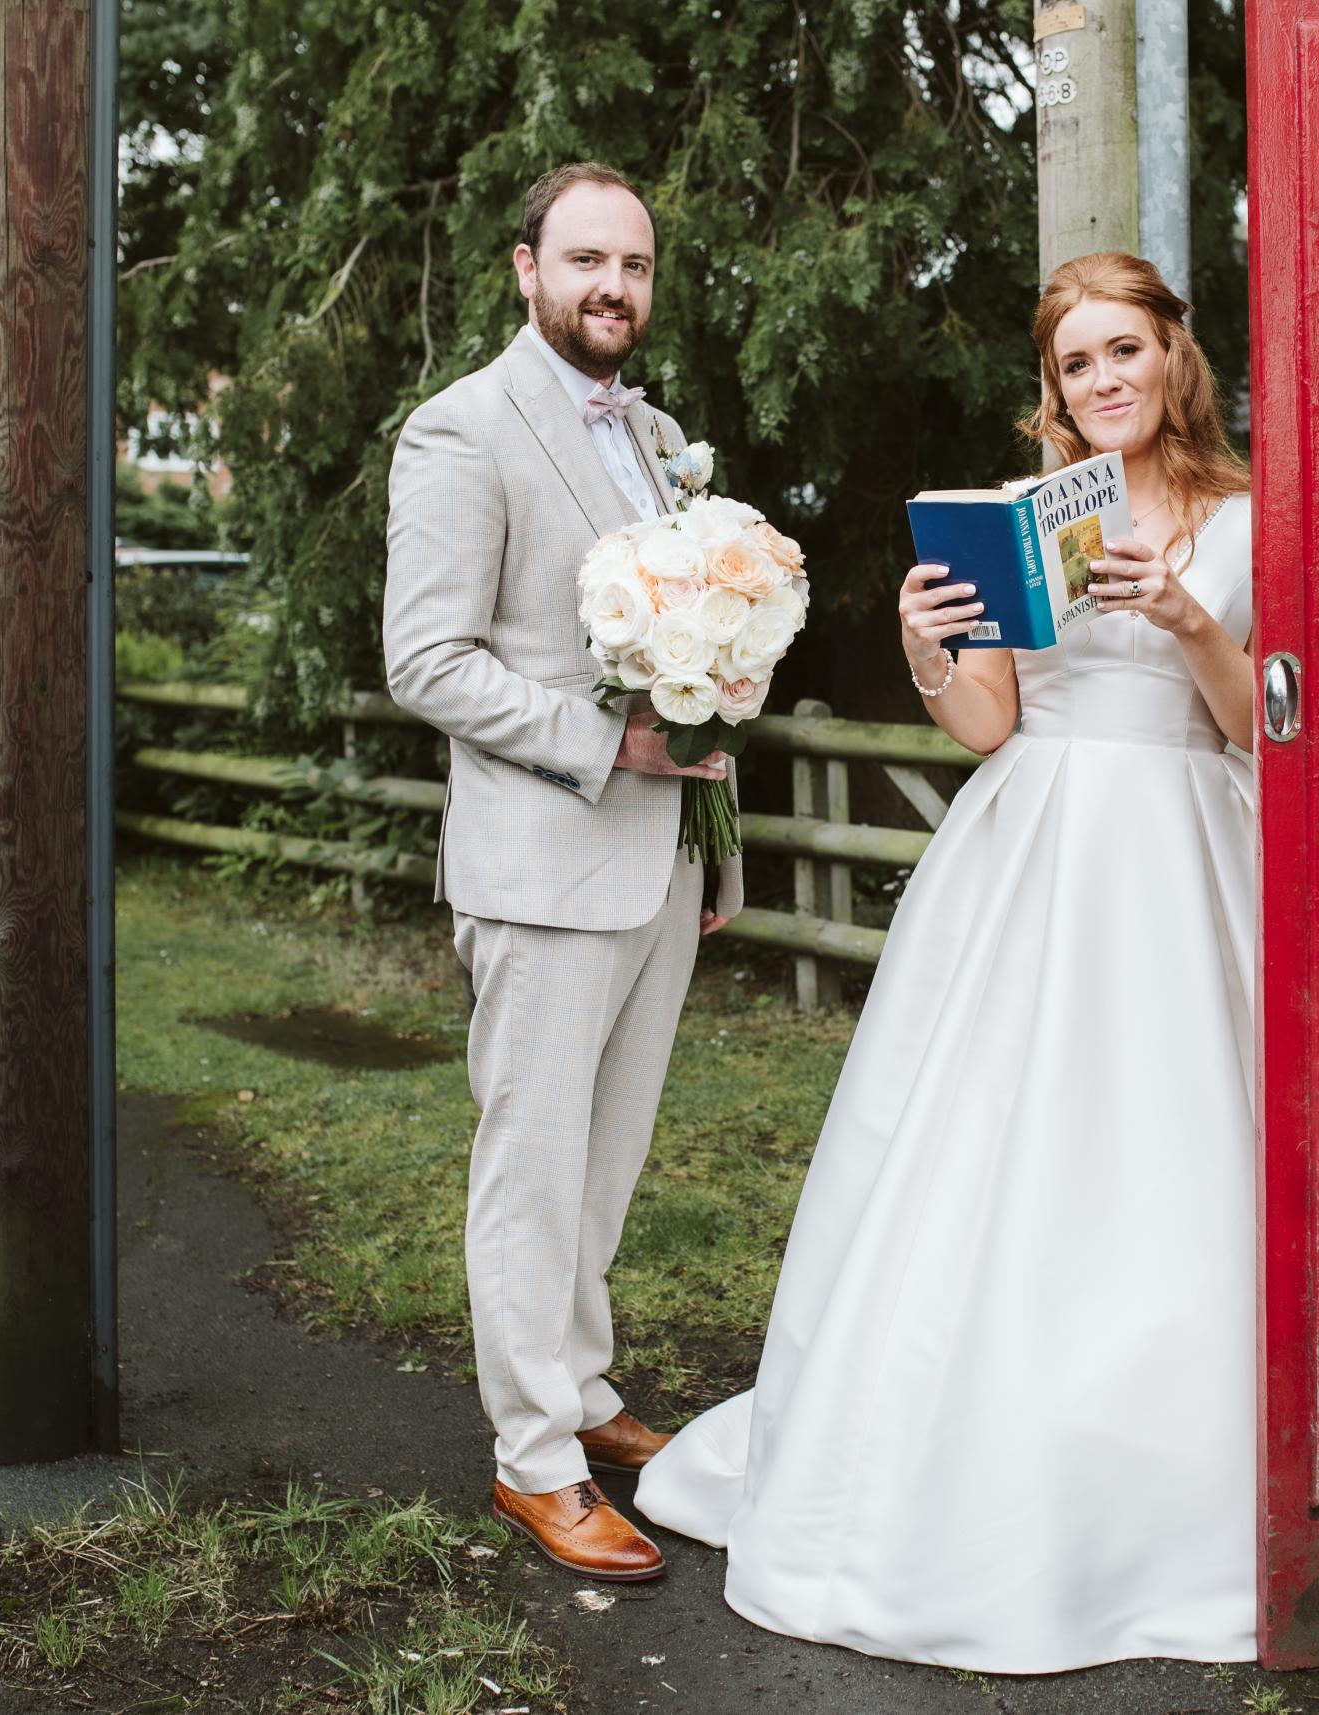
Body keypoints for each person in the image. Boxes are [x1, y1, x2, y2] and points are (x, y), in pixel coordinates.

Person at [636, 251, 1264, 1669]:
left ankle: (1180, 1483)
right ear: (1056, 392)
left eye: (1124, 351)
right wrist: (929, 647)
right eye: (1075, 367)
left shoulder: (1242, 513)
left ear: (1174, 355)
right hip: (1031, 848)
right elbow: (989, 723)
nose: (1103, 383)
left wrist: (1178, 612)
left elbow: (1250, 723)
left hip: (1182, 848)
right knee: (1000, 1147)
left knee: (1183, 1145)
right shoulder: (1029, 517)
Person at [382, 161, 742, 1584]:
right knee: (531, 1169)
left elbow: (689, 641)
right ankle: (532, 1461)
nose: (614, 288)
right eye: (586, 260)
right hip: (545, 858)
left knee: (607, 1161)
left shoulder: (652, 436)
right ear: (525, 267)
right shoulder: (463, 430)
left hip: (658, 860)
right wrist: (615, 751)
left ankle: (581, 1394)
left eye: (635, 266)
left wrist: (706, 795)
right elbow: (429, 660)